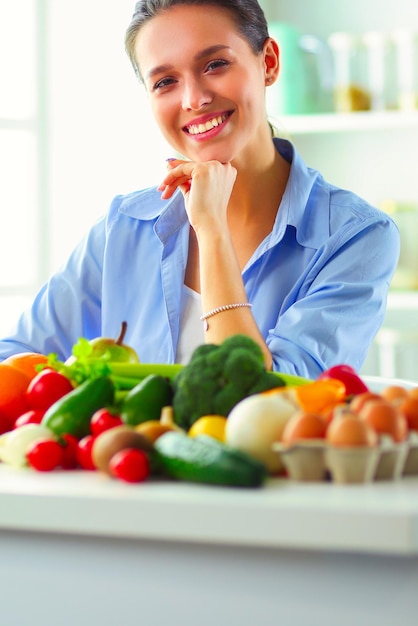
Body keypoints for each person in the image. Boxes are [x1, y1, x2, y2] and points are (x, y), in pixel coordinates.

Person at [0, 0, 400, 378]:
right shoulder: (123, 228)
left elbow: (265, 403)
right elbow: (12, 359)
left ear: (269, 63)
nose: (194, 98)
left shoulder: (355, 236)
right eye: (165, 82)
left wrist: (211, 231)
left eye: (215, 64)